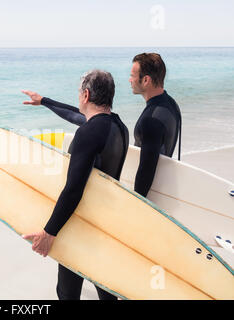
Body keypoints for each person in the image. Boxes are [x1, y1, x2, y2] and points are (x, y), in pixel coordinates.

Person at [21, 70, 129, 300]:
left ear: (86, 95)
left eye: (80, 92)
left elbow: (73, 189)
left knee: (67, 292)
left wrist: (49, 232)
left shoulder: (87, 134)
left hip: (81, 223)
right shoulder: (118, 126)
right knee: (106, 290)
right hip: (107, 223)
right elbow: (76, 116)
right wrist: (44, 101)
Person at [129, 53, 182, 197]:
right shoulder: (171, 104)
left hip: (151, 195)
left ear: (146, 80)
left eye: (132, 75)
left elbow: (146, 170)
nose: (130, 80)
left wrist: (136, 202)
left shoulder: (151, 119)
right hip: (163, 189)